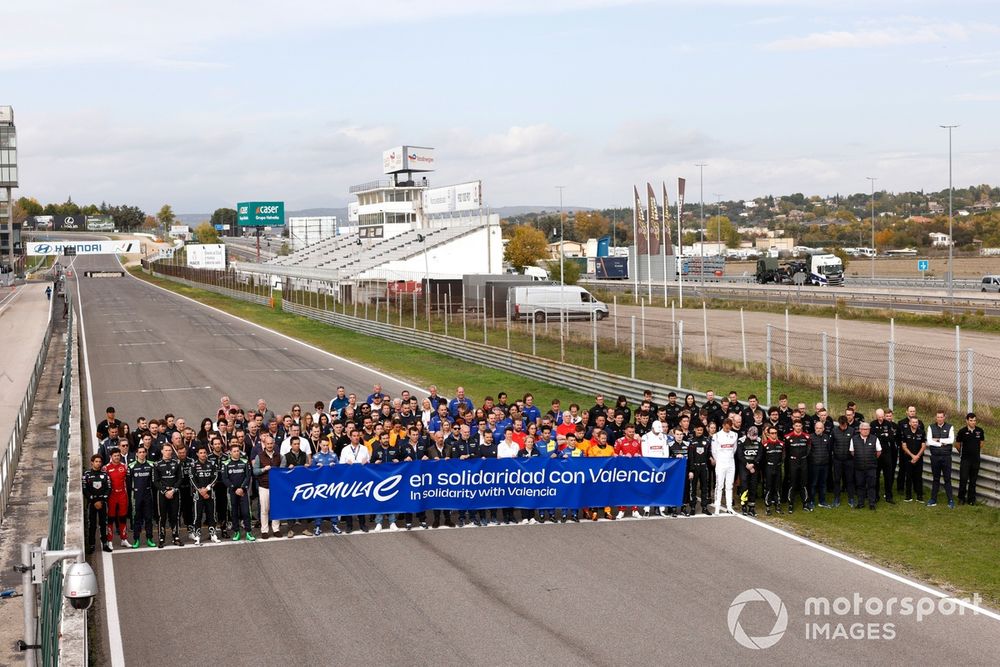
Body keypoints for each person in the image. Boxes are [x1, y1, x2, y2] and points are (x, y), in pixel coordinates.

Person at [153, 443, 183, 547]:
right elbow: (155, 481)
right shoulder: (156, 464)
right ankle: (162, 537)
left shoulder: (177, 462)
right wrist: (165, 492)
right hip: (162, 494)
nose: (168, 452)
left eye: (170, 450)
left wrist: (173, 490)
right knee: (162, 517)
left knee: (175, 515)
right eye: (166, 450)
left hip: (174, 493)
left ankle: (176, 537)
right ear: (162, 451)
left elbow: (180, 479)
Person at [253, 434, 283, 538]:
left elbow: (283, 470)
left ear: (274, 444)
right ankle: (264, 530)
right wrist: (264, 469)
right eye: (268, 443)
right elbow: (255, 471)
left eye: (271, 443)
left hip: (276, 487)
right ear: (264, 444)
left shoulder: (279, 456)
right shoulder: (259, 456)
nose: (270, 445)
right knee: (264, 509)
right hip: (264, 486)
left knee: (276, 508)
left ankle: (276, 529)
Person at [222, 443, 255, 541]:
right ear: (230, 453)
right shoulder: (226, 463)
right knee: (234, 512)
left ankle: (249, 532)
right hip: (232, 492)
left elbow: (248, 476)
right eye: (234, 451)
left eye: (238, 451)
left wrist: (242, 488)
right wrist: (234, 489)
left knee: (246, 512)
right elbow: (225, 478)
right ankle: (236, 532)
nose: (236, 453)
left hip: (243, 491)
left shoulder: (245, 462)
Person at [189, 446, 221, 545]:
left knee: (211, 515)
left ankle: (213, 534)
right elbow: (192, 479)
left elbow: (215, 477)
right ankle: (197, 536)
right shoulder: (193, 465)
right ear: (197, 454)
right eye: (201, 453)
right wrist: (200, 491)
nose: (203, 454)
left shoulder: (212, 464)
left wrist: (207, 489)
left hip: (210, 493)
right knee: (197, 516)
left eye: (204, 452)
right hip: (198, 494)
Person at [339, 430, 369, 533]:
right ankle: (349, 525)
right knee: (349, 502)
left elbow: (368, 462)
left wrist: (367, 461)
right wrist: (346, 463)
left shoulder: (364, 449)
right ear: (350, 437)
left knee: (361, 501)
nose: (356, 438)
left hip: (361, 479)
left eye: (358, 436)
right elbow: (341, 464)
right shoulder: (345, 449)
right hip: (349, 479)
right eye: (354, 436)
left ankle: (362, 524)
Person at [83, 454, 113, 554]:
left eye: (100, 462)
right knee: (91, 525)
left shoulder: (105, 475)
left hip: (103, 503)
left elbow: (108, 489)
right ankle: (91, 545)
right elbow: (85, 489)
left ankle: (105, 544)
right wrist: (93, 501)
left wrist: (102, 500)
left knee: (103, 524)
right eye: (96, 461)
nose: (98, 463)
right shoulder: (86, 474)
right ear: (92, 462)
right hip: (92, 504)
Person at [127, 446, 156, 548]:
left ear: (146, 453)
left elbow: (154, 482)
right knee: (136, 518)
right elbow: (128, 484)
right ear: (136, 454)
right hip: (136, 495)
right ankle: (136, 539)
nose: (142, 454)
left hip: (148, 494)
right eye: (140, 452)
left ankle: (149, 538)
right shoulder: (131, 466)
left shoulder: (151, 465)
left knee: (148, 518)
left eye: (144, 452)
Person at [311, 439, 342, 534]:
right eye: (323, 445)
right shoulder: (316, 457)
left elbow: (340, 470)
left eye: (327, 445)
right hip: (319, 486)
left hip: (332, 485)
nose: (325, 447)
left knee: (332, 504)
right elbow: (311, 472)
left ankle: (334, 525)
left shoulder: (333, 456)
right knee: (319, 505)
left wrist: (335, 466)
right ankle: (317, 526)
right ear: (320, 445)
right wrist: (317, 468)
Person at [926, 410, 955, 508]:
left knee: (947, 479)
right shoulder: (931, 427)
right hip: (935, 457)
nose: (939, 419)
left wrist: (938, 440)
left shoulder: (950, 427)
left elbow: (951, 440)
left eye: (941, 417)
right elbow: (929, 441)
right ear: (936, 418)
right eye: (938, 417)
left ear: (944, 417)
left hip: (946, 457)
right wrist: (942, 443)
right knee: (936, 479)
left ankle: (950, 500)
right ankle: (933, 499)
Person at [850, 422, 882, 511]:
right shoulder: (854, 439)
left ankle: (872, 503)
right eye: (864, 429)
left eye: (868, 429)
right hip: (859, 467)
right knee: (860, 485)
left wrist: (871, 459)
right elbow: (852, 452)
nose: (866, 431)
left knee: (872, 485)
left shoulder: (874, 438)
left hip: (871, 467)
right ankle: (860, 503)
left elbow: (878, 451)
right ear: (860, 430)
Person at [641, 421, 670, 517]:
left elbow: (666, 451)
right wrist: (652, 466)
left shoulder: (664, 436)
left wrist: (663, 465)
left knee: (661, 487)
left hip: (661, 465)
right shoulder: (645, 437)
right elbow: (645, 453)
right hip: (649, 465)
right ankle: (647, 508)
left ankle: (662, 508)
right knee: (649, 487)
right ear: (652, 428)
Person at [613, 424, 642, 518]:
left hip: (635, 470)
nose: (632, 433)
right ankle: (621, 510)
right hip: (623, 470)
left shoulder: (637, 442)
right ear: (625, 431)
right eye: (630, 432)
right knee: (622, 490)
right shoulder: (619, 441)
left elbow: (641, 454)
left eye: (633, 432)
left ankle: (635, 509)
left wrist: (639, 455)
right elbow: (614, 455)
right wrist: (624, 457)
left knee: (635, 489)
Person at [102, 450, 130, 547]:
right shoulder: (106, 468)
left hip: (122, 495)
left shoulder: (124, 466)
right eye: (115, 456)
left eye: (118, 455)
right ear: (111, 456)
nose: (117, 457)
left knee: (122, 518)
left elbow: (129, 481)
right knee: (110, 519)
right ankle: (109, 541)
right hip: (111, 496)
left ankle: (124, 539)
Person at [871, 409, 898, 504]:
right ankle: (876, 496)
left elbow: (891, 438)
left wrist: (880, 435)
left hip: (887, 453)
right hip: (876, 453)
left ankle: (889, 496)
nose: (881, 418)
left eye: (882, 416)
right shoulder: (872, 424)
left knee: (888, 476)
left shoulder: (888, 424)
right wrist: (883, 435)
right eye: (879, 417)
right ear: (876, 416)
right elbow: (872, 437)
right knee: (876, 476)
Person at [957, 413, 984, 506]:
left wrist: (975, 451)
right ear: (967, 421)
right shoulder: (962, 431)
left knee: (973, 481)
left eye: (974, 420)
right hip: (965, 460)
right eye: (971, 420)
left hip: (976, 460)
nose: (973, 422)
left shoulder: (980, 431)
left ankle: (971, 499)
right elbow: (957, 445)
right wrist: (963, 452)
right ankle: (961, 498)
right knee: (963, 479)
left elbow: (981, 443)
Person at [712, 418, 738, 515]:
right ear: (723, 425)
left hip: (731, 462)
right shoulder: (716, 436)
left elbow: (734, 449)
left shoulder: (735, 435)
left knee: (729, 485)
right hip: (721, 463)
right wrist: (719, 461)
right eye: (726, 428)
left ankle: (729, 507)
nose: (727, 429)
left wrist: (729, 458)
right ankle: (717, 507)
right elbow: (714, 451)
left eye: (729, 428)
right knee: (719, 485)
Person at [784, 420, 811, 513]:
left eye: (800, 425)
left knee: (804, 483)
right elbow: (786, 452)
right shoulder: (788, 437)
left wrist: (804, 458)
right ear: (793, 426)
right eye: (796, 425)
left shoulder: (807, 436)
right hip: (793, 462)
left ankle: (805, 503)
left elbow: (809, 449)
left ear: (802, 426)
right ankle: (790, 504)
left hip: (803, 461)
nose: (798, 427)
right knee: (792, 483)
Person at [736, 426, 763, 517]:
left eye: (755, 436)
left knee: (753, 486)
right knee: (744, 486)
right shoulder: (741, 440)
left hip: (754, 467)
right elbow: (739, 455)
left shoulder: (759, 440)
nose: (753, 437)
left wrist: (753, 464)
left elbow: (760, 454)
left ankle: (752, 507)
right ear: (748, 434)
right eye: (751, 435)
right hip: (744, 466)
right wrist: (747, 465)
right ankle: (744, 506)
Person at [899, 416, 927, 502]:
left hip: (919, 459)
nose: (915, 423)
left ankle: (919, 496)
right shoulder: (905, 432)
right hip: (908, 458)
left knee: (918, 477)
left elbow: (923, 446)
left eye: (916, 422)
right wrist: (912, 456)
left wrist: (917, 456)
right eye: (913, 422)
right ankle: (908, 496)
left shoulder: (922, 432)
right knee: (909, 477)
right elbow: (904, 446)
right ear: (909, 423)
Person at [830, 416, 856, 508]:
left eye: (844, 425)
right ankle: (836, 498)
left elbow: (854, 444)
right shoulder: (834, 431)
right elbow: (831, 444)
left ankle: (851, 498)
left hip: (849, 460)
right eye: (841, 425)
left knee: (850, 480)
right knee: (837, 480)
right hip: (837, 460)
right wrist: (835, 454)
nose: (842, 427)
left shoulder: (852, 431)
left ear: (846, 423)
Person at [687, 423, 712, 515]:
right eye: (698, 430)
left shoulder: (706, 441)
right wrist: (691, 469)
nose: (699, 431)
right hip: (694, 467)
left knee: (704, 488)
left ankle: (704, 507)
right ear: (695, 430)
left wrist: (711, 459)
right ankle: (692, 507)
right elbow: (690, 457)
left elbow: (709, 454)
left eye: (701, 430)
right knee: (693, 488)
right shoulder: (691, 441)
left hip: (704, 467)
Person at [808, 420, 833, 510]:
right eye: (817, 428)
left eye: (820, 428)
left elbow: (829, 450)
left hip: (825, 465)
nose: (818, 429)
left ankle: (822, 501)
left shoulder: (827, 437)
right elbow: (808, 451)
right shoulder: (810, 437)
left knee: (823, 484)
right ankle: (811, 501)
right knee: (813, 484)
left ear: (823, 429)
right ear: (815, 428)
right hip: (814, 465)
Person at [762, 426, 784, 515]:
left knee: (778, 487)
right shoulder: (765, 444)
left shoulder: (781, 444)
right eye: (772, 433)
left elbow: (783, 456)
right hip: (768, 468)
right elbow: (763, 459)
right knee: (769, 487)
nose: (774, 435)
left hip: (778, 468)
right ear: (768, 434)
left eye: (775, 433)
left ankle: (778, 505)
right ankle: (768, 506)